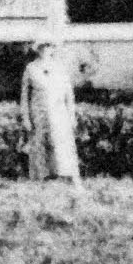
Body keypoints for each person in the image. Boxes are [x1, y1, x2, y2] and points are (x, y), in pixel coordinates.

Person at [19, 41, 81, 184]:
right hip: (39, 112)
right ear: (37, 49)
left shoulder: (60, 67)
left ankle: (63, 174)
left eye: (48, 46)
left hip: (58, 111)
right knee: (40, 142)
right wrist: (26, 118)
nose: (45, 50)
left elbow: (69, 95)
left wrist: (71, 116)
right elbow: (24, 96)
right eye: (42, 47)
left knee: (60, 142)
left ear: (53, 48)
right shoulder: (31, 68)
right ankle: (41, 176)